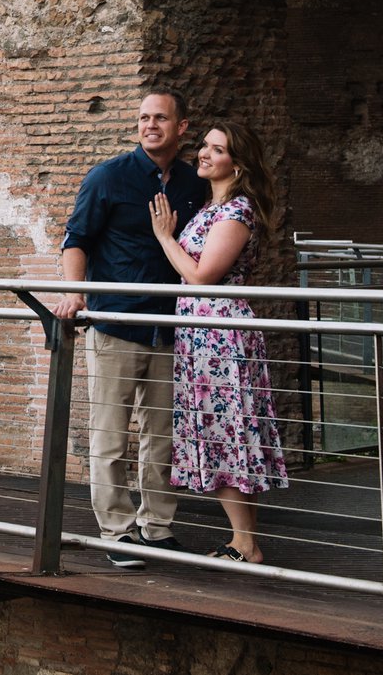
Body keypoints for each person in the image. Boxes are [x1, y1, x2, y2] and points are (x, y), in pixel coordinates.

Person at [54, 90, 210, 569]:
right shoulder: (108, 176)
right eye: (143, 118)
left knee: (161, 435)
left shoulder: (193, 182)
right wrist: (74, 293)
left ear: (181, 127)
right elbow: (76, 239)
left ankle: (156, 528)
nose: (150, 125)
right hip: (116, 322)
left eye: (160, 118)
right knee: (111, 436)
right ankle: (117, 533)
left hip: (169, 326)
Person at [149, 120, 290, 563]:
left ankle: (245, 543)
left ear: (238, 164)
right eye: (205, 146)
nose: (204, 154)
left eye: (217, 149)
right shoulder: (215, 207)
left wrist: (165, 238)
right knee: (228, 434)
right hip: (202, 334)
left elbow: (202, 277)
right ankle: (243, 542)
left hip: (219, 336)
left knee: (226, 434)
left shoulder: (236, 212)